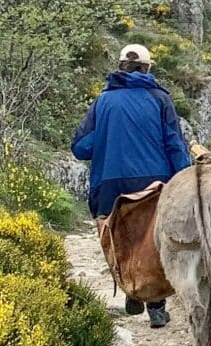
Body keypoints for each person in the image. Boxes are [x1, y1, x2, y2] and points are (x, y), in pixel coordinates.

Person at [71, 43, 193, 328]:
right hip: (154, 182)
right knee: (154, 240)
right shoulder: (160, 99)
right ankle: (156, 306)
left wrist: (107, 139)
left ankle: (130, 288)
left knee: (116, 235)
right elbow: (174, 144)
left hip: (108, 182)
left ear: (120, 67)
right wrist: (184, 178)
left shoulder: (102, 102)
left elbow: (80, 147)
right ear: (148, 68)